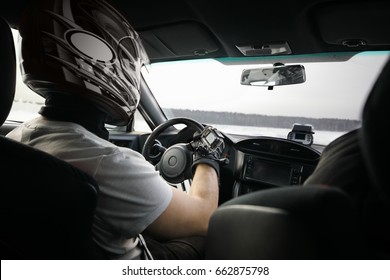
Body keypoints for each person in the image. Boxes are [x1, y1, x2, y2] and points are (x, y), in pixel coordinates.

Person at [6, 0, 224, 260]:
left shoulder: (14, 141)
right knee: (204, 239)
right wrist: (207, 155)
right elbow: (204, 217)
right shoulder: (110, 163)